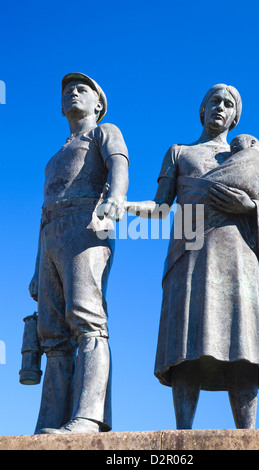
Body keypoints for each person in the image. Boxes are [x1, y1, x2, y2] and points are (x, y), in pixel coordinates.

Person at [125, 84, 259, 429]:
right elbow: (161, 206)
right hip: (190, 250)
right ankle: (183, 434)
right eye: (215, 101)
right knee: (186, 344)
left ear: (236, 116)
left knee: (242, 343)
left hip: (238, 253)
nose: (221, 107)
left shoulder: (248, 156)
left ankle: (248, 437)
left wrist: (250, 206)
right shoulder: (179, 153)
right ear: (202, 108)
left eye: (229, 104)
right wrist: (124, 206)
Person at [29, 72, 129, 434]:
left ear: (98, 104)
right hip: (50, 235)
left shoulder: (105, 132)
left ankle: (88, 416)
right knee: (52, 334)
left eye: (82, 89)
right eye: (68, 90)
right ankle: (50, 422)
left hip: (86, 225)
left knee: (87, 321)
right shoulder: (56, 156)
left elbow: (119, 163)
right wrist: (36, 268)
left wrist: (116, 197)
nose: (73, 92)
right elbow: (44, 211)